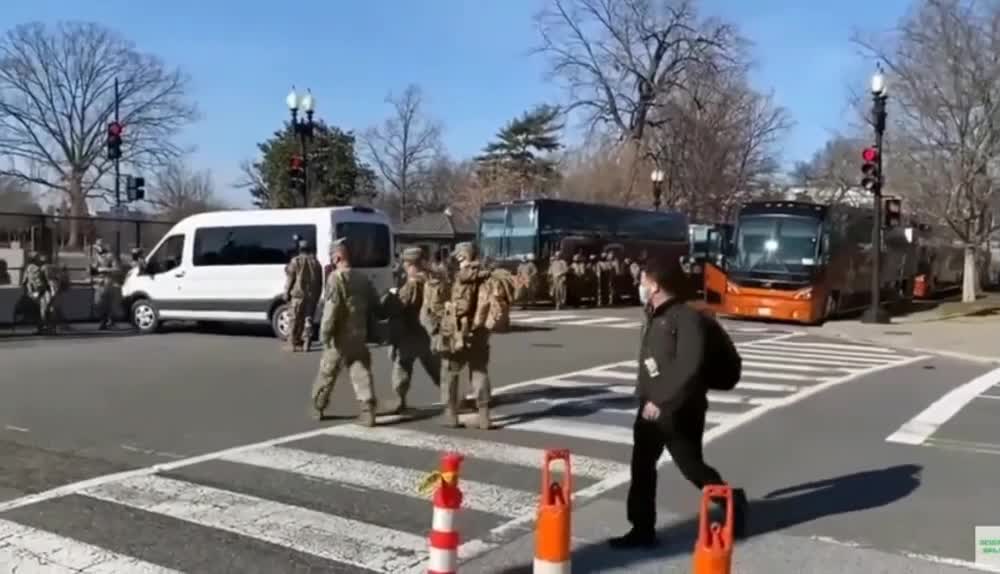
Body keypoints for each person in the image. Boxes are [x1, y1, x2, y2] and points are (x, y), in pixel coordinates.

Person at [609, 257, 746, 549]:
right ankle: (642, 528)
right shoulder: (654, 313)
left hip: (681, 408)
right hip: (650, 407)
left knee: (691, 467)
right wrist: (646, 396)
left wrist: (661, 399)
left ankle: (732, 502)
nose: (640, 285)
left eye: (643, 280)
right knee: (642, 466)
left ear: (656, 284)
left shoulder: (686, 318)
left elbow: (689, 364)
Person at [310, 239, 383, 426]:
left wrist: (324, 333)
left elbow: (331, 309)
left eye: (332, 257)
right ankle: (368, 409)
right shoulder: (362, 278)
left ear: (338, 256)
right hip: (359, 333)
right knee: (361, 370)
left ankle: (318, 406)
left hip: (339, 335)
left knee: (327, 372)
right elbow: (375, 304)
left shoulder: (336, 278)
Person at [426, 242, 493, 429]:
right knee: (479, 371)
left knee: (449, 370)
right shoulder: (487, 274)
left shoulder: (465, 275)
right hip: (481, 331)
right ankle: (484, 415)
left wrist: (448, 307)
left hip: (461, 331)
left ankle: (450, 414)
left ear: (464, 256)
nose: (457, 259)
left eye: (459, 256)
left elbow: (462, 305)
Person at [384, 247, 441, 413]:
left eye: (404, 263)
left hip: (411, 331)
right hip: (429, 333)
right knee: (437, 369)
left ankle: (399, 400)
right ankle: (453, 398)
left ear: (409, 264)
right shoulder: (432, 280)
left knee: (402, 366)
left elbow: (400, 305)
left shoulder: (412, 284)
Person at [283, 239, 323, 352]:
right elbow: (320, 282)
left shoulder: (296, 261)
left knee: (294, 319)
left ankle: (292, 344)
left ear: (299, 249)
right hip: (311, 296)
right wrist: (317, 295)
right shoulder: (316, 263)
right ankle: (307, 342)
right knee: (308, 319)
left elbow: (290, 278)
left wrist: (286, 292)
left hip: (298, 295)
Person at [90, 238, 121, 330]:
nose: (98, 247)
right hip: (98, 283)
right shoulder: (95, 257)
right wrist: (92, 270)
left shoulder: (110, 256)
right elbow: (92, 270)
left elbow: (117, 269)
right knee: (98, 303)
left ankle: (108, 322)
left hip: (108, 282)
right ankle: (104, 320)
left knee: (108, 304)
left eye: (100, 245)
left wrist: (105, 269)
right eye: (97, 245)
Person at [19, 251, 50, 333]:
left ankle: (40, 327)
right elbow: (38, 282)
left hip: (32, 291)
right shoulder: (36, 268)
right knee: (41, 309)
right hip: (37, 291)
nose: (39, 259)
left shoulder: (28, 268)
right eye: (37, 257)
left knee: (37, 309)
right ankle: (43, 326)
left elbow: (24, 281)